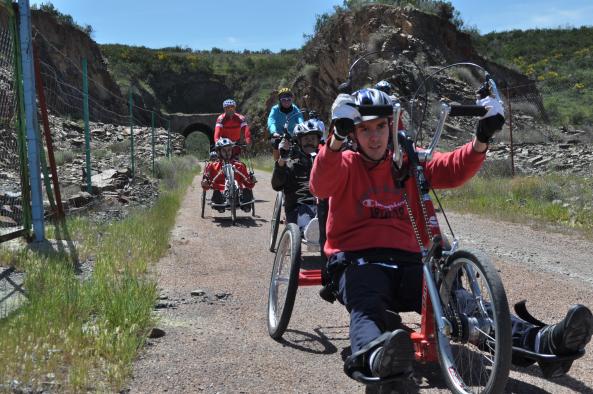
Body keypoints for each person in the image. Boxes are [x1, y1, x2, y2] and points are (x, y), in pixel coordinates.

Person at [309, 88, 593, 381]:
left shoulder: (408, 161)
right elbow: (320, 185)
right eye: (364, 128)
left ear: (391, 125)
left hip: (411, 264)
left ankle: (544, 341)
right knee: (367, 305)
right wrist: (335, 139)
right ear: (353, 132)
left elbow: (452, 168)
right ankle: (377, 355)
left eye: (380, 126)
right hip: (359, 263)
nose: (374, 136)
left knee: (462, 304)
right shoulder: (343, 162)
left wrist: (482, 139)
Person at [271, 120, 322, 232]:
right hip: (297, 206)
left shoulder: (325, 160)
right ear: (299, 141)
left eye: (313, 139)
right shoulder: (291, 161)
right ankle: (310, 230)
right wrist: (282, 159)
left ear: (318, 141)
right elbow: (277, 185)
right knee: (304, 213)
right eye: (306, 139)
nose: (309, 142)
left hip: (321, 205)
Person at [201, 138, 255, 213]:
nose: (227, 153)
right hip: (220, 194)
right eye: (224, 150)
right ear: (219, 152)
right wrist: (205, 183)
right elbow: (206, 186)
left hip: (238, 194)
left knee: (246, 191)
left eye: (229, 150)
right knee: (217, 194)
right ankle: (220, 206)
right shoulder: (212, 166)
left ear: (232, 151)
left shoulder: (239, 166)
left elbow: (248, 184)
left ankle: (246, 206)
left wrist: (251, 180)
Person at [267, 88, 304, 160]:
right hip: (279, 135)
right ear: (280, 100)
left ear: (292, 100)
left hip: (293, 135)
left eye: (289, 99)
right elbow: (271, 121)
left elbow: (300, 119)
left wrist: (301, 127)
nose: (286, 102)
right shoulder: (275, 109)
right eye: (283, 100)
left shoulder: (295, 109)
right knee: (276, 142)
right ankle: (277, 163)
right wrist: (273, 132)